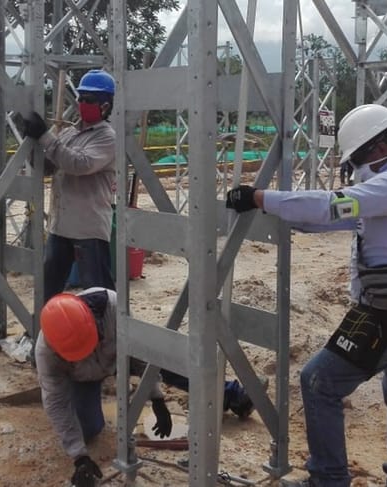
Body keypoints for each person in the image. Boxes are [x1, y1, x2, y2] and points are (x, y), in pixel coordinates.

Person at [225, 104, 387, 487]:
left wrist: (261, 198)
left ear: (376, 149)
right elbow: (335, 217)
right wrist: (285, 216)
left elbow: (332, 204)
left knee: (319, 381)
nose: (355, 168)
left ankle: (328, 479)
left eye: (356, 159)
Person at [36, 288, 260, 486]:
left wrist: (156, 397)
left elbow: (145, 354)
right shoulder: (47, 353)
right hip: (83, 377)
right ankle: (91, 406)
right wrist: (79, 457)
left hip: (121, 357)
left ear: (92, 323)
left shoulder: (113, 309)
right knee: (88, 430)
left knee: (168, 358)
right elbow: (56, 402)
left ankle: (231, 395)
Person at [22, 69, 118, 303]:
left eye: (90, 100)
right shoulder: (69, 133)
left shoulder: (107, 137)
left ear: (105, 106)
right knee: (48, 291)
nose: (83, 103)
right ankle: (44, 334)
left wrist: (45, 136)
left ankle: (107, 338)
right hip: (60, 226)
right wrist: (31, 145)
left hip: (89, 228)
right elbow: (49, 167)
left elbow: (79, 164)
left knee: (97, 297)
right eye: (81, 98)